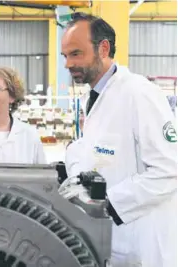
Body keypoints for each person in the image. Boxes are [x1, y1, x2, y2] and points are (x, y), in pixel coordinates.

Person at [62, 13, 177, 267]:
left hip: (144, 246)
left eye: (76, 54)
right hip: (113, 240)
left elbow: (168, 171)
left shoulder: (140, 93)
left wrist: (108, 204)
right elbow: (98, 153)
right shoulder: (93, 97)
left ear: (103, 49)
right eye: (65, 56)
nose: (68, 64)